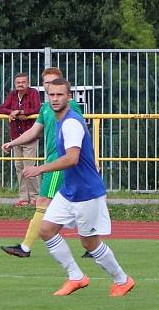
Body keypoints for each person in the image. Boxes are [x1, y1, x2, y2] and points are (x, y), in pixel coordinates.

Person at [23, 78, 135, 297]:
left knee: (89, 242)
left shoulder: (71, 122)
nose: (55, 99)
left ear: (69, 97)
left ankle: (122, 280)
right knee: (45, 229)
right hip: (69, 190)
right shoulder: (57, 120)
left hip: (86, 192)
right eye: (51, 95)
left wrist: (40, 169)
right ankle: (76, 277)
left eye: (59, 95)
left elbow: (72, 158)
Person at [0, 67, 83, 258]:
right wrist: (12, 142)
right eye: (46, 84)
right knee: (79, 202)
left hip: (60, 161)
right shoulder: (45, 109)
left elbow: (81, 135)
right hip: (55, 161)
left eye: (54, 83)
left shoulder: (72, 107)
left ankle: (25, 247)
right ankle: (91, 245)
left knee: (43, 201)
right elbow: (33, 131)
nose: (49, 87)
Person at [0, 73, 42, 206]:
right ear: (15, 84)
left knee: (29, 167)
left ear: (27, 83)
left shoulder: (33, 93)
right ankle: (23, 198)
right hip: (16, 137)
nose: (20, 84)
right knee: (19, 167)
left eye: (23, 82)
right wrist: (13, 112)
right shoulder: (12, 94)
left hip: (30, 136)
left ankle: (35, 198)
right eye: (18, 82)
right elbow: (1, 109)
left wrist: (21, 113)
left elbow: (37, 108)